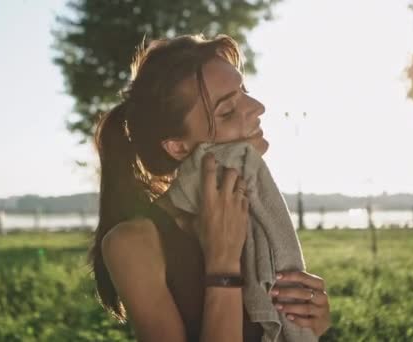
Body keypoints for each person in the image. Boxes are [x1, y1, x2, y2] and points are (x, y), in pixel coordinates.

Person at [89, 34, 330, 342]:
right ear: (178, 147)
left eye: (244, 91)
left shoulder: (259, 217)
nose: (258, 107)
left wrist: (313, 327)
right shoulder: (132, 243)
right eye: (227, 112)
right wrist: (222, 263)